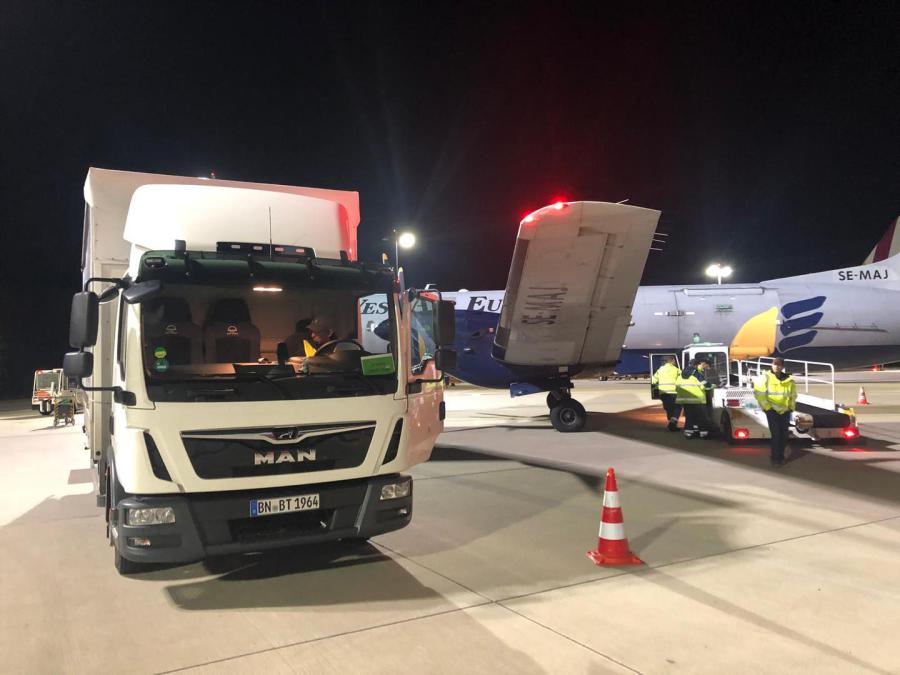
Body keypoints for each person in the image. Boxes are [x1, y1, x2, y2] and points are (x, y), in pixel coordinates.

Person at [753, 357, 797, 467]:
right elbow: (759, 394)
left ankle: (781, 456)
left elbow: (793, 395)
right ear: (772, 365)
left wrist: (791, 408)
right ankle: (775, 458)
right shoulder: (765, 377)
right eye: (774, 364)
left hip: (785, 411)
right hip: (772, 411)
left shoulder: (789, 380)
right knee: (776, 434)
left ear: (782, 367)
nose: (776, 366)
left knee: (784, 436)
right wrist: (767, 408)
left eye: (779, 365)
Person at [676, 358, 714, 438]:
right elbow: (705, 385)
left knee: (689, 417)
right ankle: (703, 434)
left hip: (686, 400)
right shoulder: (696, 373)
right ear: (696, 365)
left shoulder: (681, 374)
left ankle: (688, 433)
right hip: (697, 399)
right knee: (701, 417)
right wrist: (712, 386)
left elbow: (677, 387)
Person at [652, 356, 682, 431]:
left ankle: (671, 424)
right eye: (674, 361)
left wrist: (656, 387)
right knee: (678, 407)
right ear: (671, 361)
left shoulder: (660, 369)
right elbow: (680, 380)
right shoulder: (676, 370)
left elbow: (653, 380)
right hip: (673, 392)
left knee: (669, 408)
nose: (675, 362)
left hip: (663, 393)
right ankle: (672, 424)